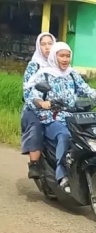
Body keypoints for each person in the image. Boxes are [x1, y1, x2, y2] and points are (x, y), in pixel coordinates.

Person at [25, 42, 96, 193]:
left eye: (67, 56)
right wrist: (42, 103)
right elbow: (33, 96)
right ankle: (61, 173)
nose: (65, 59)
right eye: (61, 56)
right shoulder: (44, 74)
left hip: (72, 116)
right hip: (51, 117)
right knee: (65, 135)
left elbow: (85, 89)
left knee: (88, 135)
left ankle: (84, 165)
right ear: (55, 56)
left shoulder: (72, 74)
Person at [21, 32, 55, 179]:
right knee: (36, 125)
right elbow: (27, 90)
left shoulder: (60, 63)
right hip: (35, 107)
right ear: (38, 47)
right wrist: (39, 103)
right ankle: (34, 164)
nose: (47, 47)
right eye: (43, 44)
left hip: (58, 107)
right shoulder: (34, 66)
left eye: (50, 43)